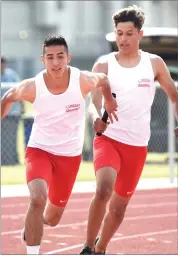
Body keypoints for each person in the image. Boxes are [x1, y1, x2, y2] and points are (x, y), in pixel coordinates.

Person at [1, 35, 118, 255]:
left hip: (69, 156)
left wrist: (109, 101)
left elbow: (103, 79)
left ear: (68, 58)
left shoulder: (81, 80)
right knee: (37, 198)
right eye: (50, 57)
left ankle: (34, 223)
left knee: (52, 219)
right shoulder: (33, 86)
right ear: (43, 60)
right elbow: (7, 98)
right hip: (40, 150)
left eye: (60, 57)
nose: (56, 62)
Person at [80, 5, 178, 255]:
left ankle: (101, 247)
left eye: (128, 33)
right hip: (109, 138)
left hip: (137, 145)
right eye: (118, 33)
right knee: (103, 189)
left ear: (139, 34)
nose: (122, 39)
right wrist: (95, 120)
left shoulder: (154, 64)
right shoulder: (103, 64)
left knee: (119, 208)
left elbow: (174, 96)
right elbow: (94, 103)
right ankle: (88, 247)